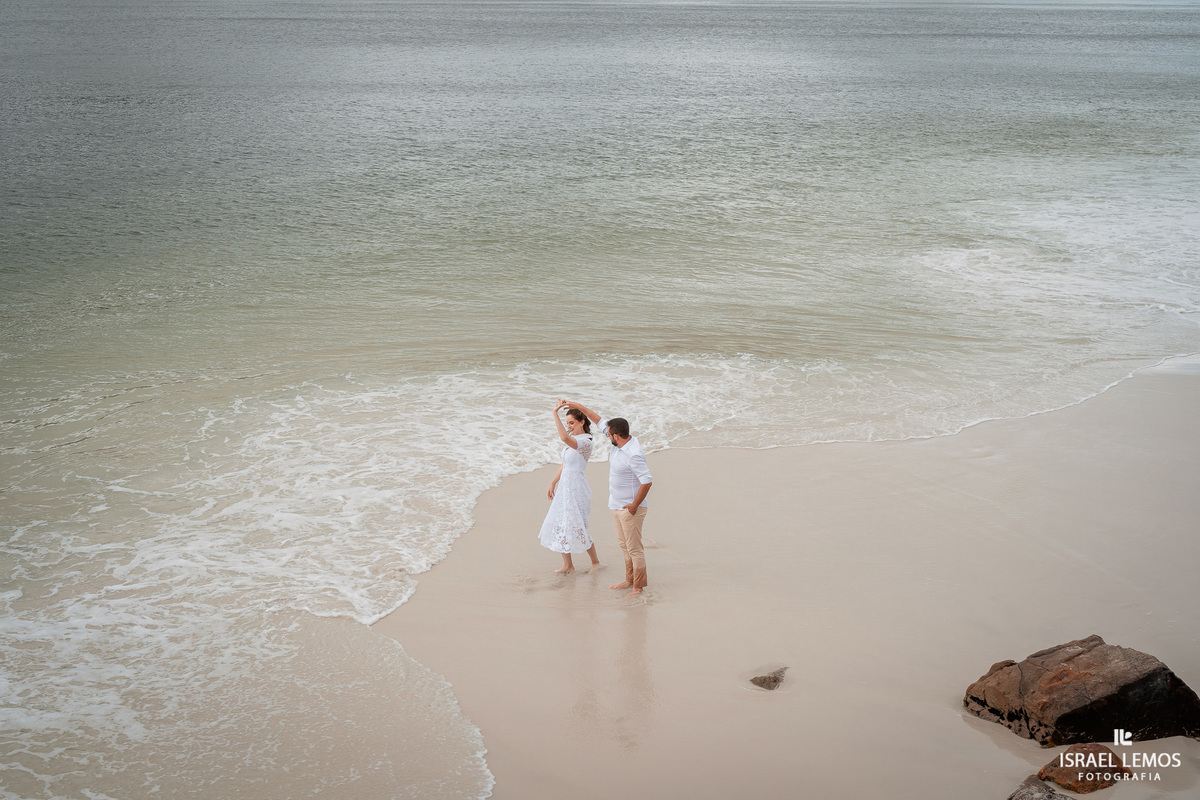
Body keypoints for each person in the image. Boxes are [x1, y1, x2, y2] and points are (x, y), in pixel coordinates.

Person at [561, 400, 652, 598]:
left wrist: (635, 505)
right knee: (624, 545)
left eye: (609, 434)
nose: (606, 435)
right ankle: (629, 580)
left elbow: (647, 481)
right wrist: (580, 406)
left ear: (616, 436)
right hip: (616, 505)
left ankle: (638, 586)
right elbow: (599, 421)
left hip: (630, 508)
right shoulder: (620, 441)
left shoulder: (633, 454)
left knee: (635, 549)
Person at [537, 400, 601, 573]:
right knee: (561, 524)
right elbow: (565, 464)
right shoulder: (575, 441)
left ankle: (595, 562)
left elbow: (564, 438)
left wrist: (554, 414)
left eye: (572, 423)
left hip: (577, 488)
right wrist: (553, 482)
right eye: (567, 424)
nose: (569, 426)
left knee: (578, 526)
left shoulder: (585, 442)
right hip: (565, 487)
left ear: (582, 422)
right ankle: (568, 565)